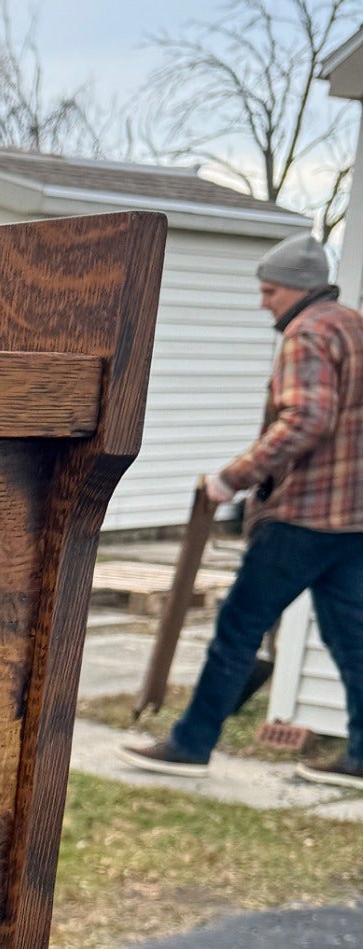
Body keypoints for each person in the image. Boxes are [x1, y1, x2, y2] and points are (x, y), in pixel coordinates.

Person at [123, 231, 363, 789]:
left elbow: (306, 419)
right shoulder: (353, 325)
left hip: (303, 517)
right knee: (352, 639)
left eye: (270, 291)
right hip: (353, 519)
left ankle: (190, 744)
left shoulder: (307, 333)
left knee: (237, 630)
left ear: (299, 290)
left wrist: (231, 479)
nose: (264, 303)